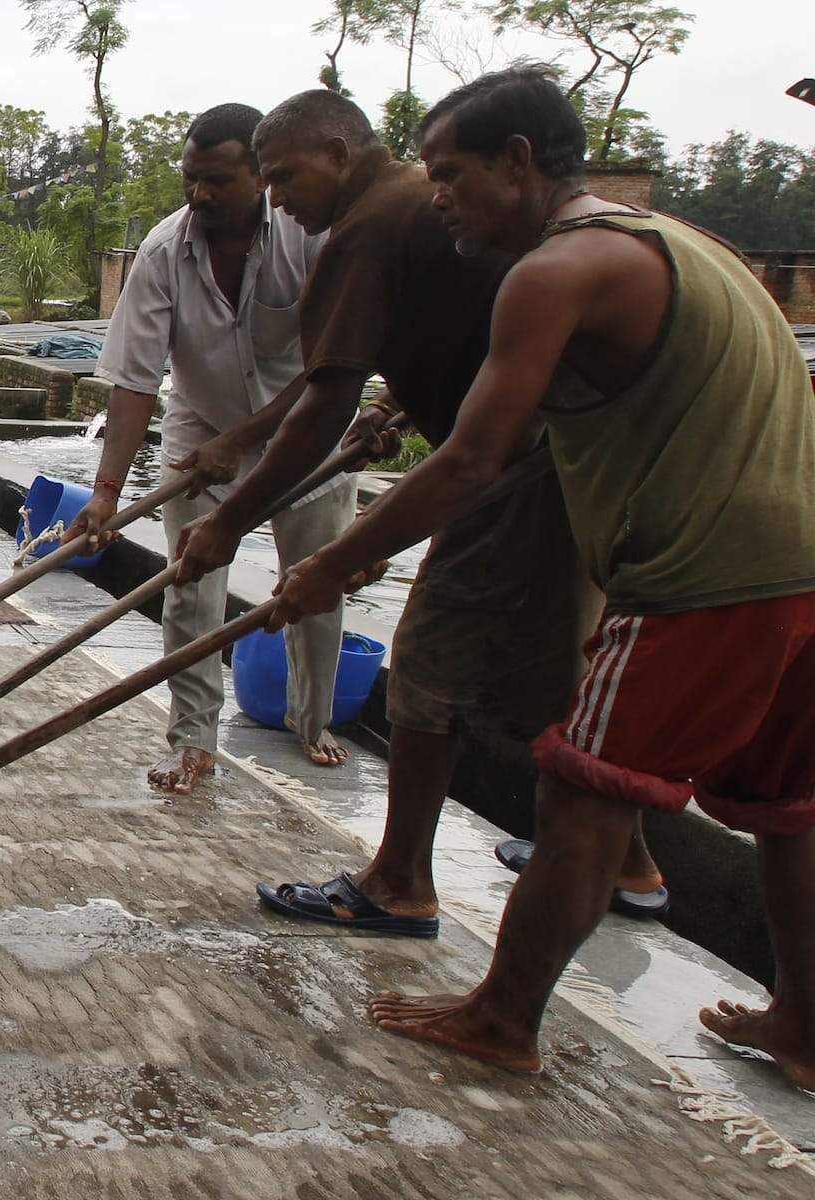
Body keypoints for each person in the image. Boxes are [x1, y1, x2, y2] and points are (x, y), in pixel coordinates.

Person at [266, 68, 815, 1084]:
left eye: (451, 174)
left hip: (702, 579)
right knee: (786, 811)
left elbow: (473, 459)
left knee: (584, 796)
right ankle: (806, 1028)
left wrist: (330, 567)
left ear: (518, 163)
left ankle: (502, 1019)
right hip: (798, 577)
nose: (438, 198)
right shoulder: (686, 246)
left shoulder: (554, 270)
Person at [169, 88, 659, 939]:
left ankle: (398, 880)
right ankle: (625, 862)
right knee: (556, 669)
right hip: (560, 459)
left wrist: (227, 525)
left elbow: (317, 407)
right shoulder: (406, 213)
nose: (280, 198)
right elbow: (466, 336)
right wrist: (400, 404)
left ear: (336, 150)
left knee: (427, 670)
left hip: (513, 471)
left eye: (284, 177)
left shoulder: (365, 229)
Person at [64, 103, 348, 793]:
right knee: (191, 583)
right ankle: (193, 740)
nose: (199, 195)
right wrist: (105, 494)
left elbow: (330, 369)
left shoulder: (308, 237)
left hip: (305, 426)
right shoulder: (164, 250)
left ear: (261, 178)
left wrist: (245, 440)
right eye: (191, 179)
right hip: (200, 425)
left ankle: (311, 722)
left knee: (314, 581)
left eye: (218, 180)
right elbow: (133, 381)